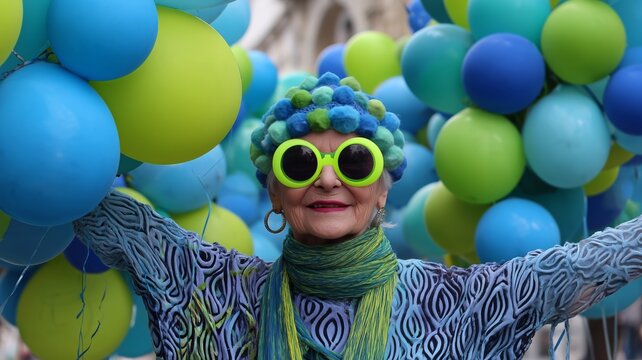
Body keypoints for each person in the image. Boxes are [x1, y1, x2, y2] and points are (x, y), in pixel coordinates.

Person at [74, 73, 642, 360]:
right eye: (299, 162)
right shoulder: (213, 290)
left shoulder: (459, 303)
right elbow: (76, 192)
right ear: (273, 194)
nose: (327, 179)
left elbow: (586, 262)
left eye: (353, 160)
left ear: (381, 190)